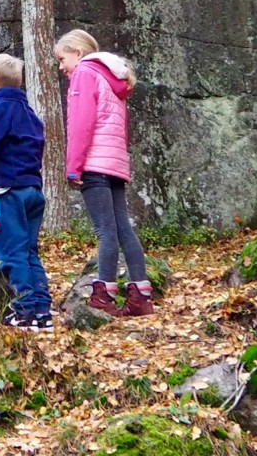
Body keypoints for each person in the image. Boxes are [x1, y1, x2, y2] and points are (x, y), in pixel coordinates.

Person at [54, 29, 153, 317]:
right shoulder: (113, 81)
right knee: (123, 228)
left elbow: (80, 124)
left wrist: (74, 166)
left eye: (62, 59)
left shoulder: (84, 74)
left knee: (105, 231)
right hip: (114, 163)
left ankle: (103, 295)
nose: (62, 67)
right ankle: (141, 295)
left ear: (78, 53)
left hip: (94, 163)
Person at [0, 54, 52, 331]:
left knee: (10, 251)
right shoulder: (29, 113)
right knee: (29, 251)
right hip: (33, 189)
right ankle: (42, 309)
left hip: (8, 189)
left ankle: (25, 310)